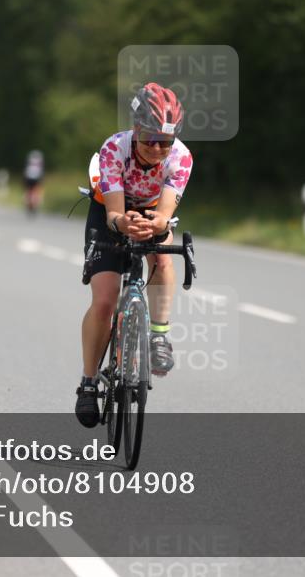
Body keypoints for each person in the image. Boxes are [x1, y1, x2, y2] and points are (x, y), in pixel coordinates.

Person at [75, 82, 193, 428]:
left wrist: (156, 225)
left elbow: (165, 210)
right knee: (105, 301)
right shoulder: (114, 148)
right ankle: (87, 381)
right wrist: (123, 222)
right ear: (136, 129)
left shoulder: (181, 157)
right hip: (110, 212)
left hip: (151, 210)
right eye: (150, 139)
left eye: (166, 141)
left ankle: (159, 334)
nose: (158, 148)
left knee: (163, 258)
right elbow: (113, 215)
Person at [23, 149, 45, 216]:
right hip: (37, 177)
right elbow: (42, 170)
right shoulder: (40, 161)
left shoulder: (29, 160)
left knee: (29, 190)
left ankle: (28, 202)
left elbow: (25, 169)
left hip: (28, 177)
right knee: (36, 190)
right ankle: (35, 203)